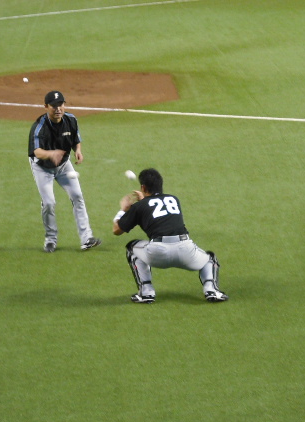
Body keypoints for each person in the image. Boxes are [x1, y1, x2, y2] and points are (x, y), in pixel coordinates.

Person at [112, 168, 228, 303]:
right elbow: (155, 208)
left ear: (143, 187)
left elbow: (117, 230)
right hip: (186, 250)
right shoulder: (174, 199)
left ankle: (146, 292)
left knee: (132, 248)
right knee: (209, 259)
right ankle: (211, 290)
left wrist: (123, 210)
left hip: (158, 253)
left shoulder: (139, 207)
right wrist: (144, 200)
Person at [28, 90, 101, 253]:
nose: (58, 109)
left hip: (63, 165)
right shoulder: (39, 127)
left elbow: (76, 139)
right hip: (42, 168)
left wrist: (78, 150)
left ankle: (86, 238)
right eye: (53, 106)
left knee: (77, 196)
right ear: (46, 106)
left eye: (60, 104)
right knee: (49, 203)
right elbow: (36, 152)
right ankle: (50, 239)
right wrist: (51, 154)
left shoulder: (71, 120)